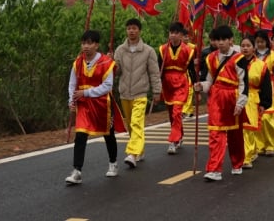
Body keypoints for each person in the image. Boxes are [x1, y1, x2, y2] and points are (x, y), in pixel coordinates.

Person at [65, 30, 126, 185]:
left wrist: (86, 92)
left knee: (108, 134)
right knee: (80, 135)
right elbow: (72, 84)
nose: (86, 46)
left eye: (90, 43)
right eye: (84, 43)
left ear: (96, 45)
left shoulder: (106, 63)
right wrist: (71, 99)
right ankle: (77, 170)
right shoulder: (78, 62)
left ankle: (113, 162)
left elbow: (107, 86)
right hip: (83, 105)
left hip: (102, 104)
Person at [194, 25, 249, 181]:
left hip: (233, 99)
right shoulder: (210, 58)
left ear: (231, 40)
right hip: (216, 101)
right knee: (215, 135)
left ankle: (237, 163)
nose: (221, 43)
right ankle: (215, 169)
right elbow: (209, 81)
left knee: (235, 136)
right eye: (218, 40)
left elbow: (244, 83)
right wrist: (201, 86)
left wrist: (240, 103)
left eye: (224, 39)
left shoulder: (239, 58)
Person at [114, 18, 162, 169]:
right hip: (124, 93)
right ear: (126, 30)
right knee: (131, 125)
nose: (131, 31)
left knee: (136, 122)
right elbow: (116, 72)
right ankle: (139, 149)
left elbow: (154, 73)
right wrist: (111, 65)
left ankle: (132, 154)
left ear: (139, 30)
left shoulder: (148, 51)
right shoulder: (119, 50)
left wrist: (157, 91)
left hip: (140, 93)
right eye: (129, 28)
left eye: (134, 28)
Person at [159, 22, 197, 155]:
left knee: (176, 112)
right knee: (171, 114)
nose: (173, 35)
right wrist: (157, 86)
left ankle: (173, 141)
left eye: (176, 33)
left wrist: (196, 85)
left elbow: (191, 70)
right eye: (171, 33)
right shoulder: (163, 49)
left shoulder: (188, 50)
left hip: (181, 83)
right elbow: (159, 70)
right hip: (167, 84)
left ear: (181, 35)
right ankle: (179, 134)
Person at [239, 35, 272, 169]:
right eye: (243, 46)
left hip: (253, 98)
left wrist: (264, 103)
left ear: (254, 48)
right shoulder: (235, 63)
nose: (245, 48)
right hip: (238, 97)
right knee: (240, 129)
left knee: (249, 128)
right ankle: (247, 153)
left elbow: (266, 86)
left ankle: (246, 157)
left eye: (248, 46)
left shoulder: (261, 65)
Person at [181, 28, 197, 119]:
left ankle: (185, 111)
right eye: (184, 37)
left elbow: (197, 58)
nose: (186, 38)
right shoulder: (177, 46)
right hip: (180, 72)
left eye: (187, 37)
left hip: (190, 71)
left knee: (190, 90)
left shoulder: (193, 47)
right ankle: (189, 110)